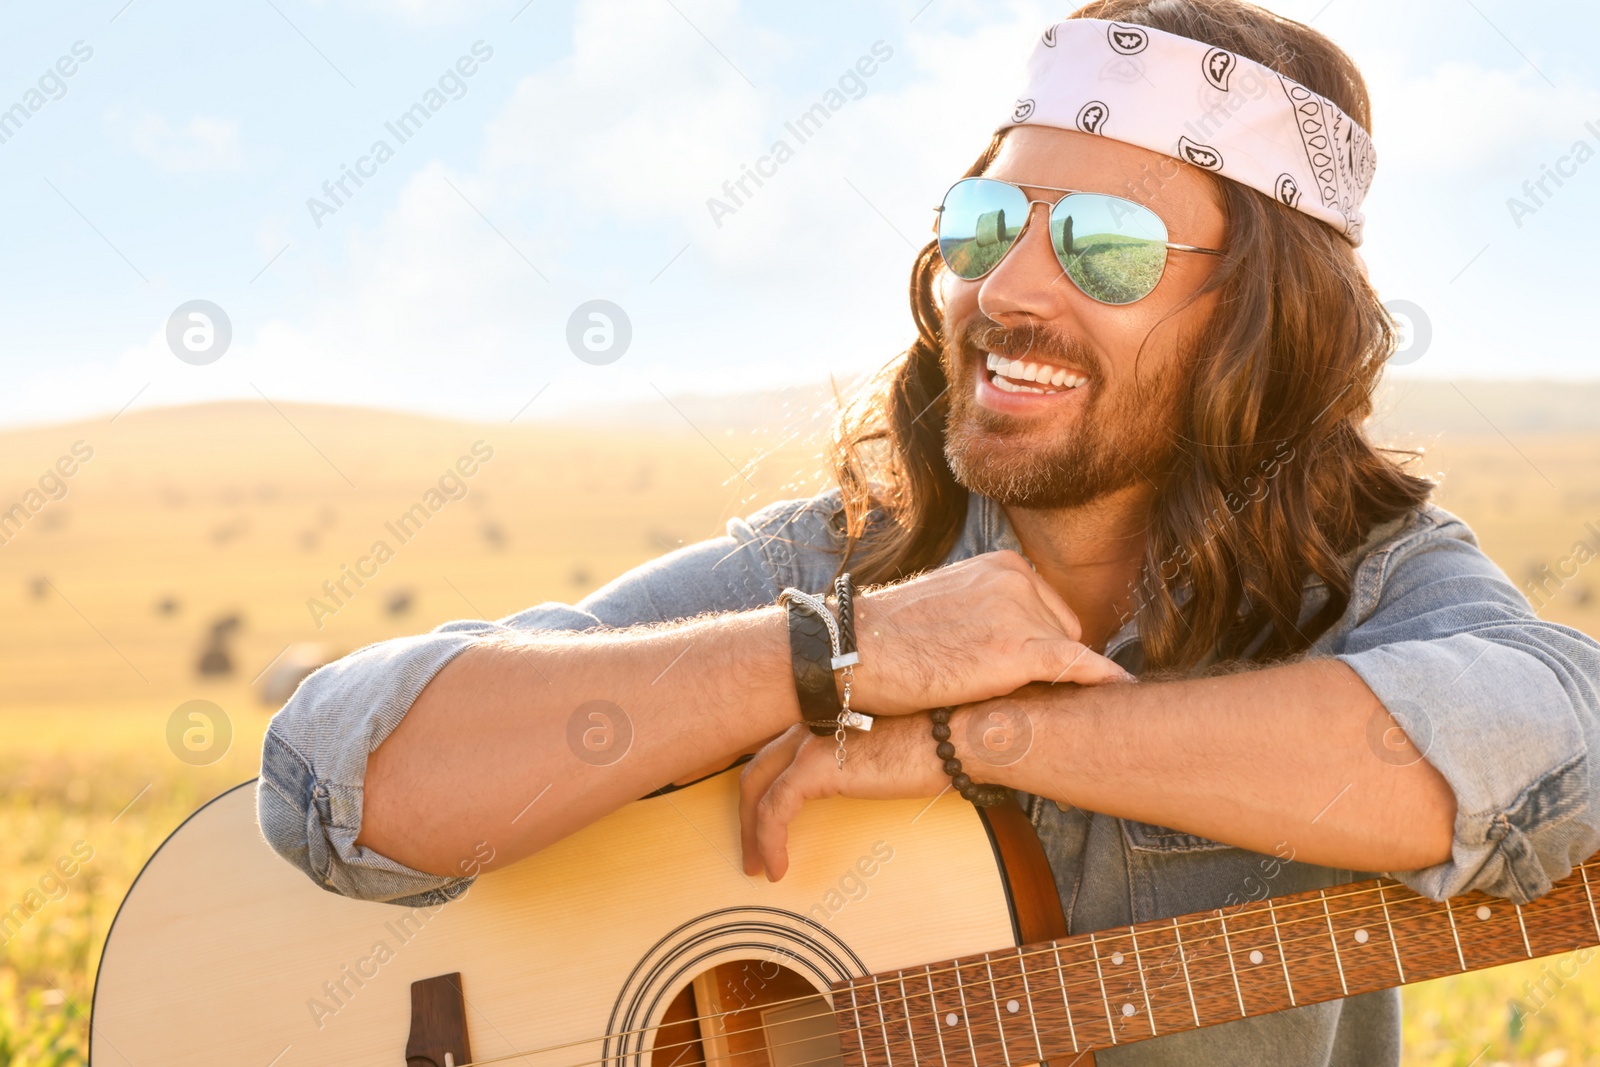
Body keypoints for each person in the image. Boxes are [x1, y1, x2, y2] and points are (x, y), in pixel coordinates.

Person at [258, 1, 1600, 1061]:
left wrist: (980, 740)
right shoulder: (840, 570)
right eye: (983, 226)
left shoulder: (1367, 583)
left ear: (1261, 320)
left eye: (1105, 247)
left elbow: (1552, 750)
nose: (1006, 291)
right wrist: (833, 658)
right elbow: (335, 780)